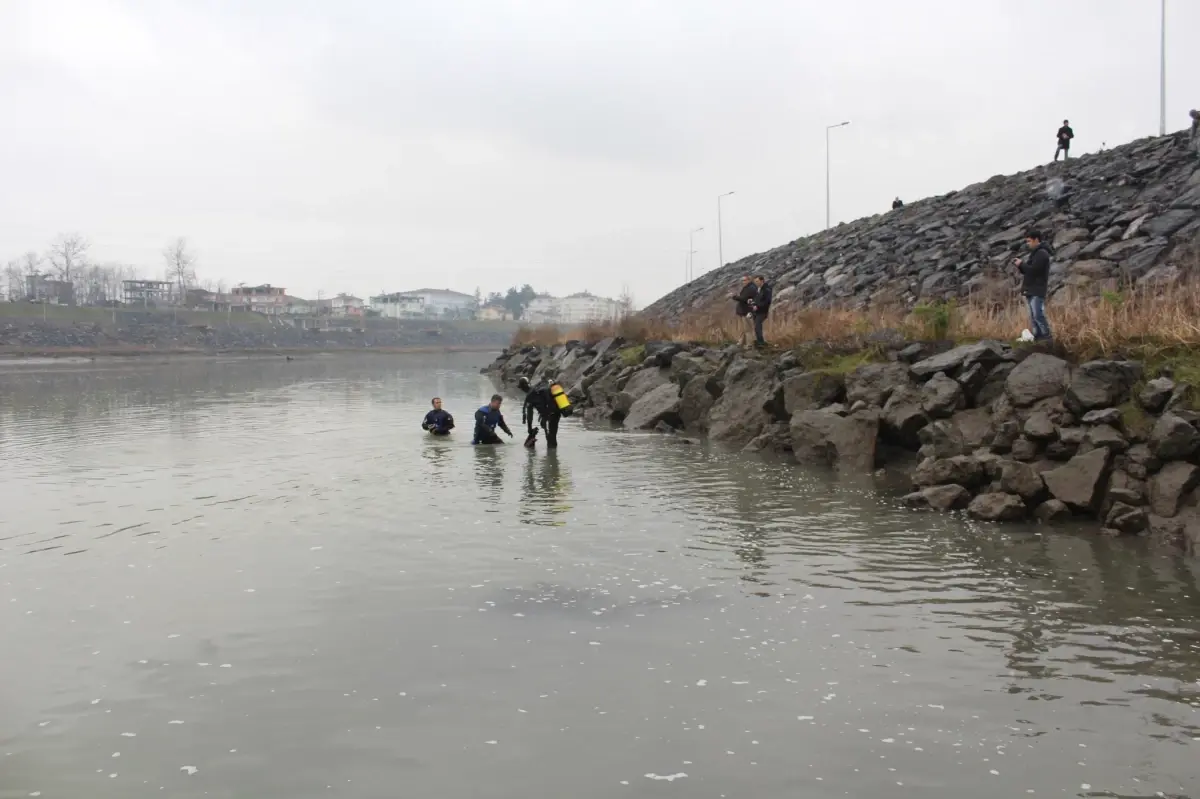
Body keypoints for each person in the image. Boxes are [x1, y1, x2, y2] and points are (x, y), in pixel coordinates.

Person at [1013, 230, 1052, 342]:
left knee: (1038, 315)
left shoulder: (1042, 254)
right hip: (1031, 289)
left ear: (1036, 240)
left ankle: (1046, 337)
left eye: (1029, 241)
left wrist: (1022, 264)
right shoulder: (1035, 253)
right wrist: (1020, 266)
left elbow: (1034, 271)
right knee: (1033, 316)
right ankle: (1038, 337)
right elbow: (1027, 271)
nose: (1028, 244)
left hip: (1037, 289)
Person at [518, 376, 562, 449]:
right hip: (557, 412)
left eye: (521, 388)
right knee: (553, 436)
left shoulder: (530, 396)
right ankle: (552, 455)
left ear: (523, 387)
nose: (522, 390)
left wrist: (529, 428)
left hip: (550, 415)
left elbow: (530, 415)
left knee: (550, 438)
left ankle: (551, 455)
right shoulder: (537, 389)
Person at [729, 275, 758, 347]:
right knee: (744, 328)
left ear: (749, 280)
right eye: (742, 280)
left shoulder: (751, 288)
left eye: (744, 280)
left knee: (748, 329)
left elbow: (744, 299)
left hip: (747, 311)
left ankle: (749, 345)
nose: (743, 282)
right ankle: (741, 342)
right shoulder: (748, 287)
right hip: (744, 311)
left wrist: (733, 296)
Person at [749, 274, 773, 347]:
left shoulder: (767, 289)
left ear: (762, 281)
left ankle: (761, 343)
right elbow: (757, 299)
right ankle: (760, 342)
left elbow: (767, 301)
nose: (755, 283)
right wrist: (752, 302)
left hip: (762, 311)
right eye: (755, 281)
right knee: (757, 327)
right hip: (756, 311)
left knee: (757, 326)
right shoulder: (758, 289)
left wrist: (757, 306)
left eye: (757, 281)